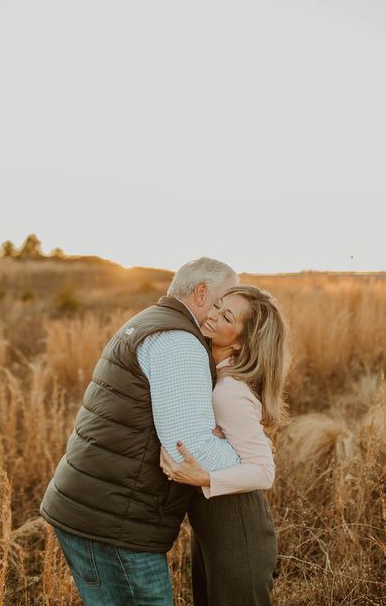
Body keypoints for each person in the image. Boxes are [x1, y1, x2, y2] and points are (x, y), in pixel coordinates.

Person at [40, 257, 242, 606]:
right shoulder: (180, 342)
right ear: (200, 292)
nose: (228, 307)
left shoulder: (148, 322)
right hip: (115, 525)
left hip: (94, 510)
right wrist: (249, 454)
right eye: (226, 298)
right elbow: (188, 451)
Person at [160, 285, 290, 606]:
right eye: (217, 306)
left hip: (238, 529)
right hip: (214, 528)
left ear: (242, 341)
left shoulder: (230, 390)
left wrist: (205, 478)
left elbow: (264, 472)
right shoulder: (210, 373)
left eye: (226, 316)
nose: (213, 315)